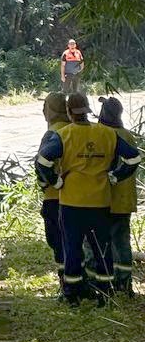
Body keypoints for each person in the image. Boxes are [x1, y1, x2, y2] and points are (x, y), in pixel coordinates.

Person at [34, 91, 139, 305]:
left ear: (69, 112)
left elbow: (42, 161)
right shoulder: (106, 133)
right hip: (100, 201)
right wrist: (115, 176)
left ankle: (72, 295)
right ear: (88, 110)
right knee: (102, 249)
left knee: (72, 249)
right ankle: (106, 294)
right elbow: (134, 158)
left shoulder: (64, 134)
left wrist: (55, 182)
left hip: (72, 202)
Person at [98, 96, 138, 296]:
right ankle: (125, 284)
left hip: (107, 198)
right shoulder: (127, 135)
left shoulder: (104, 135)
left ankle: (106, 283)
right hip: (124, 200)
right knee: (122, 242)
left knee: (103, 243)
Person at [36, 91, 69, 299]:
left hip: (54, 197)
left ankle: (65, 284)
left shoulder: (52, 133)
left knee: (58, 243)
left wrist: (47, 183)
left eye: (45, 107)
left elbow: (40, 164)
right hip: (77, 197)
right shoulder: (73, 128)